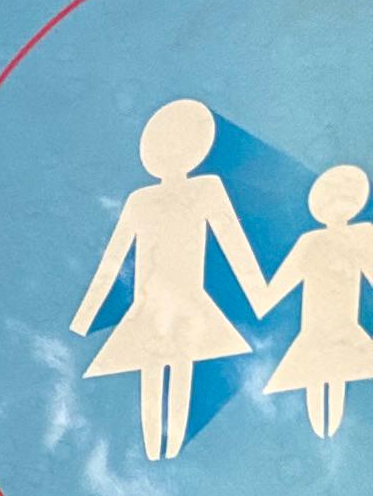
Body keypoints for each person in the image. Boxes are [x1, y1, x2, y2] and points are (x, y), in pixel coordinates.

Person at [70, 96, 270, 464]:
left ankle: (171, 441)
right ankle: (155, 445)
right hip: (151, 303)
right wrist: (85, 318)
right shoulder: (141, 201)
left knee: (179, 365)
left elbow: (232, 242)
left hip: (188, 299)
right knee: (151, 368)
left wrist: (260, 296)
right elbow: (114, 259)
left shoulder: (206, 189)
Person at [259, 160, 373, 441]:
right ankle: (323, 430)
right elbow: (280, 285)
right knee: (315, 372)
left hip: (344, 326)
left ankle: (328, 429)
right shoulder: (310, 242)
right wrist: (260, 297)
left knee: (336, 371)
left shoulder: (361, 235)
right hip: (313, 329)